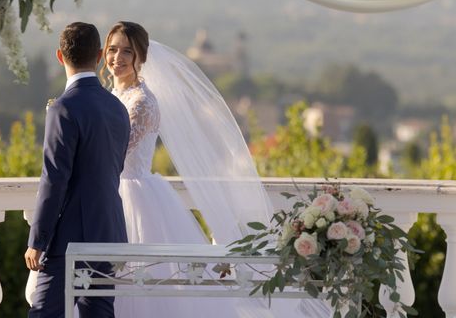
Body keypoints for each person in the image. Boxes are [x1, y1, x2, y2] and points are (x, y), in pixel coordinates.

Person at [103, 21, 330, 318]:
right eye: (112, 49)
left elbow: (114, 154)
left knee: (142, 286)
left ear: (141, 58)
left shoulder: (142, 103)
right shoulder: (110, 96)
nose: (117, 58)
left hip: (135, 197)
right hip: (112, 191)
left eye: (127, 51)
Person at [25, 22, 131, 318]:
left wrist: (38, 240)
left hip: (73, 237)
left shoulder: (64, 108)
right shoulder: (117, 107)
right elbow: (114, 167)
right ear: (99, 56)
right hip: (108, 231)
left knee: (44, 313)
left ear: (60, 56)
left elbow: (54, 179)